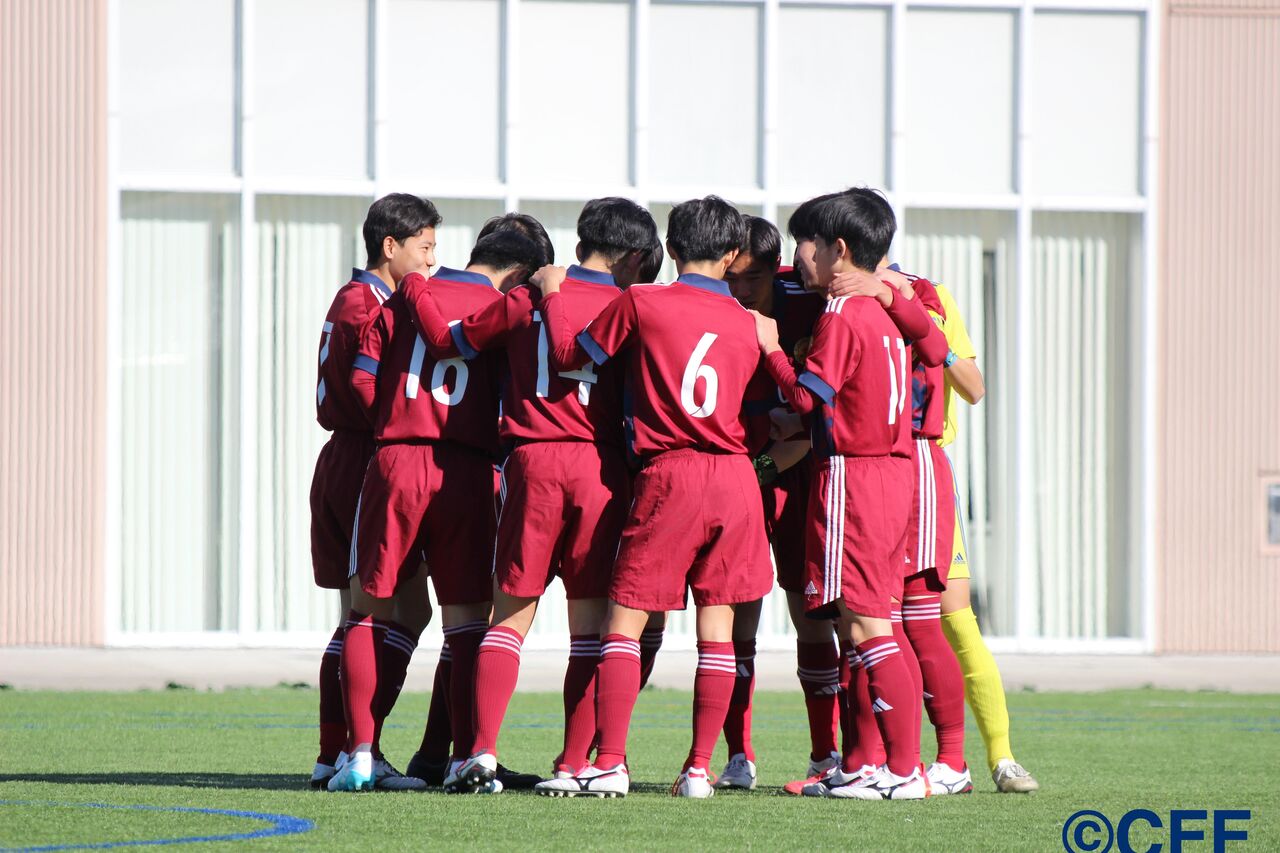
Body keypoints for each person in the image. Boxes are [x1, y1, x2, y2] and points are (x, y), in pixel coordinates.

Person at [400, 198, 660, 792]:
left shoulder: (526, 297)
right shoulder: (631, 305)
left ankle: (479, 753)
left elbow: (453, 341)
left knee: (507, 617)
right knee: (591, 626)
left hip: (530, 462)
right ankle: (573, 763)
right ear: (636, 257)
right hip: (598, 468)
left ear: (578, 246)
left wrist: (418, 288)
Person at [533, 197, 774, 798]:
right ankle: (698, 770)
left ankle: (609, 760)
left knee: (626, 622)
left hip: (671, 473)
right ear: (733, 255)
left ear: (669, 247)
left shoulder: (640, 301)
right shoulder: (749, 321)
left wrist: (555, 294)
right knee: (717, 628)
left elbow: (570, 359)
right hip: (737, 477)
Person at [326, 230, 542, 792]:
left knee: (368, 610)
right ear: (519, 273)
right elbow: (514, 396)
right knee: (468, 621)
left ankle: (361, 755)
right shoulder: (506, 310)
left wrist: (395, 427)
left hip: (396, 461)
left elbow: (361, 375)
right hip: (465, 471)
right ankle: (467, 759)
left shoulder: (405, 292)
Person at [752, 188, 935, 800]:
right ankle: (877, 766)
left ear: (838, 248)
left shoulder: (840, 310)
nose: (797, 256)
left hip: (854, 476)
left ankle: (902, 770)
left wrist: (772, 349)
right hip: (894, 470)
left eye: (805, 241)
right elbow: (932, 352)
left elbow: (808, 398)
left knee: (862, 628)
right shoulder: (884, 310)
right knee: (879, 624)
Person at [307, 193, 439, 792]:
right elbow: (369, 391)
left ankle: (338, 752)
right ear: (391, 247)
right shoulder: (370, 306)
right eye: (426, 249)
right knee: (381, 611)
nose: (434, 263)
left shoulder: (352, 297)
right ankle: (359, 750)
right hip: (368, 461)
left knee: (369, 615)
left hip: (346, 458)